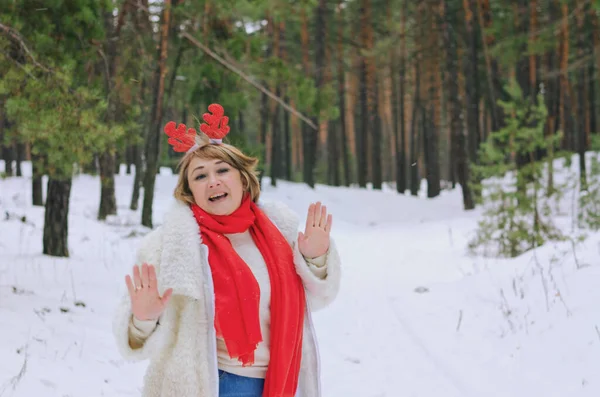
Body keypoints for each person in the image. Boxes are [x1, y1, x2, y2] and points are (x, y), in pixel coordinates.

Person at [112, 103, 342, 397]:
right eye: (200, 176)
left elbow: (316, 302)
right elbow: (133, 339)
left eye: (222, 169)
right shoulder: (169, 246)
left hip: (279, 382)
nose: (213, 181)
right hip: (207, 386)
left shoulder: (279, 233)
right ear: (189, 191)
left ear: (243, 179)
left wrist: (315, 258)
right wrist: (143, 319)